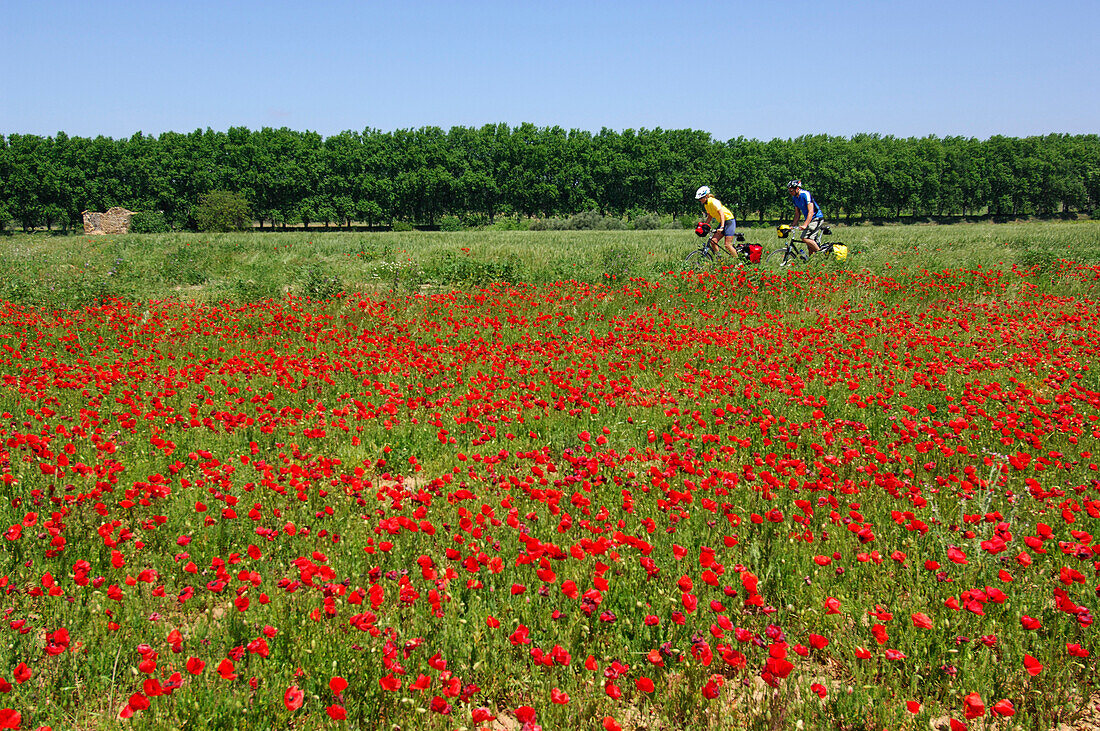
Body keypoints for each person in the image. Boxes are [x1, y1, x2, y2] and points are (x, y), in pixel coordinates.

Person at [694, 186, 737, 257]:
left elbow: (722, 214)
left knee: (727, 244)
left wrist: (722, 227)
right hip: (722, 222)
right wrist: (704, 225)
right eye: (699, 199)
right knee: (713, 242)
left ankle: (738, 262)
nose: (700, 200)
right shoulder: (706, 205)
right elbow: (710, 216)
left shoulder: (714, 202)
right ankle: (720, 259)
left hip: (729, 221)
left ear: (706, 196)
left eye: (701, 198)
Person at [786, 180, 825, 255]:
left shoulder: (805, 194)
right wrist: (793, 226)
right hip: (809, 219)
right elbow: (797, 213)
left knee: (805, 238)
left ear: (797, 189)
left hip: (816, 218)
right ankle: (811, 263)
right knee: (809, 246)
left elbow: (811, 211)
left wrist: (805, 225)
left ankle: (821, 255)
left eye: (791, 191)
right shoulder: (794, 198)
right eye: (789, 191)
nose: (790, 193)